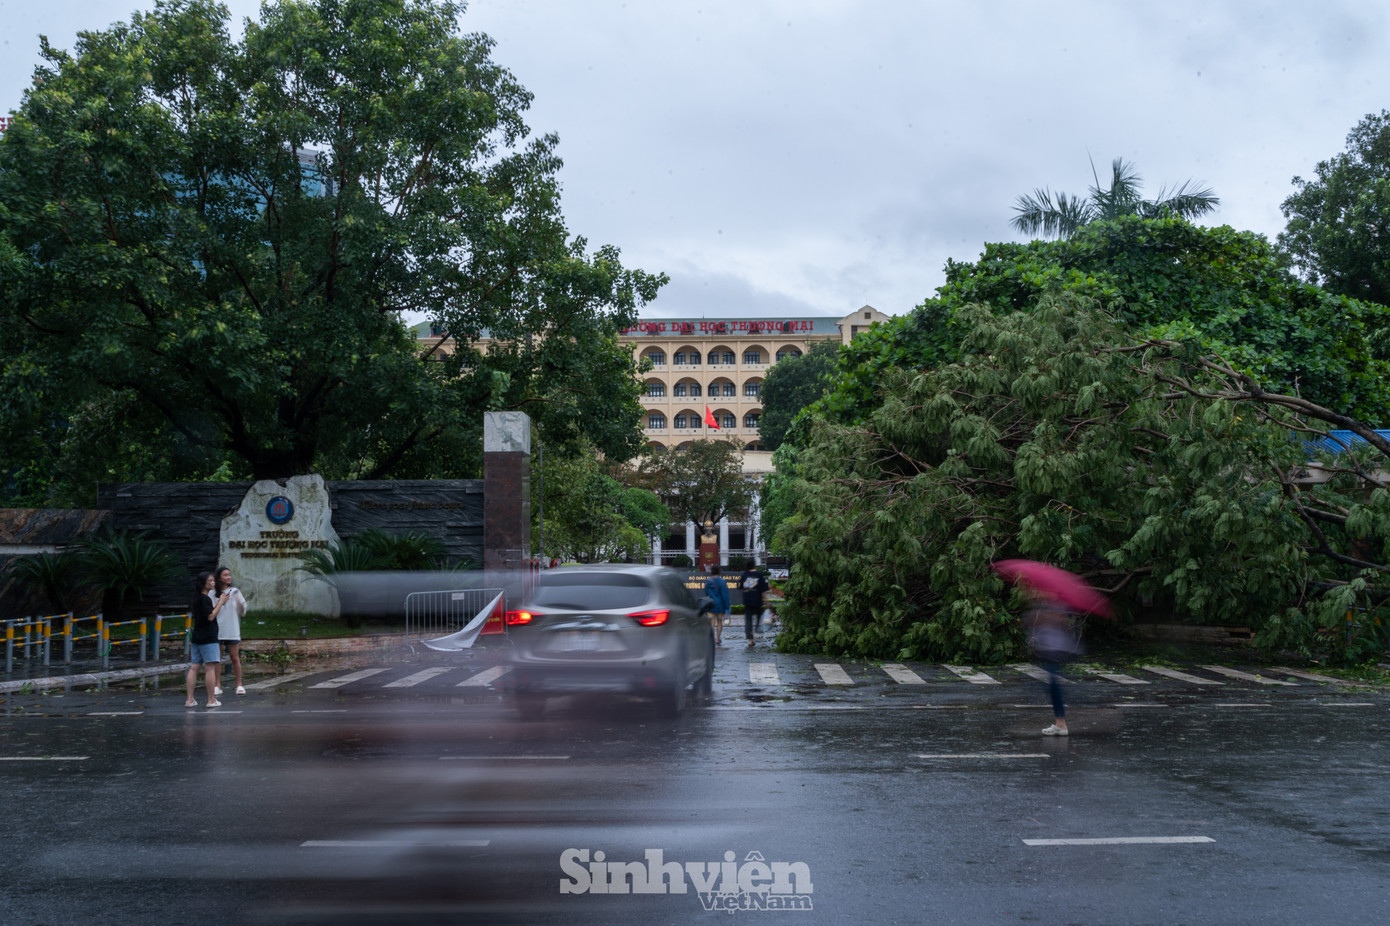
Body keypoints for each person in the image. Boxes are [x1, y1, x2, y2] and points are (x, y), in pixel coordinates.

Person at [1023, 592, 1080, 736]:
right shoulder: (1046, 603)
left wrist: (1044, 616)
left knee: (1053, 685)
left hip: (1058, 648)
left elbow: (1060, 620)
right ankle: (1061, 722)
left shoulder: (1058, 604)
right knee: (1051, 684)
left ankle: (1061, 723)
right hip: (1049, 649)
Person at [186, 572, 230, 708]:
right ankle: (211, 700)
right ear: (203, 583)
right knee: (210, 668)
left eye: (213, 580)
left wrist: (219, 602)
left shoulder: (197, 598)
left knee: (194, 667)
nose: (213, 583)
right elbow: (210, 616)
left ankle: (189, 700)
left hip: (197, 637)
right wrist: (221, 602)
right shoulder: (205, 599)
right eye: (210, 581)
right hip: (208, 638)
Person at [213, 566, 248, 695]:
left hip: (232, 629)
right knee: (217, 658)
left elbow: (242, 611)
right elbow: (211, 611)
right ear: (219, 578)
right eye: (225, 575)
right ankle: (217, 685)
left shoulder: (235, 592)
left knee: (234, 657)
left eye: (229, 575)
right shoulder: (212, 593)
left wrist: (242, 605)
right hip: (216, 629)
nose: (228, 577)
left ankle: (239, 685)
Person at [740, 564, 769, 644]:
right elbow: (763, 590)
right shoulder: (759, 574)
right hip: (757, 600)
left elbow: (741, 587)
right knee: (758, 619)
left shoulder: (744, 574)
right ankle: (756, 633)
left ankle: (750, 639)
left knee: (748, 620)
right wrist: (766, 601)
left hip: (747, 600)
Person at [704, 565, 730, 646]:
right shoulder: (722, 581)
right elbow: (725, 595)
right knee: (719, 621)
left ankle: (712, 639)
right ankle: (718, 639)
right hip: (720, 605)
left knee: (712, 622)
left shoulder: (708, 581)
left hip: (711, 604)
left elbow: (706, 592)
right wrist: (727, 607)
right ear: (719, 571)